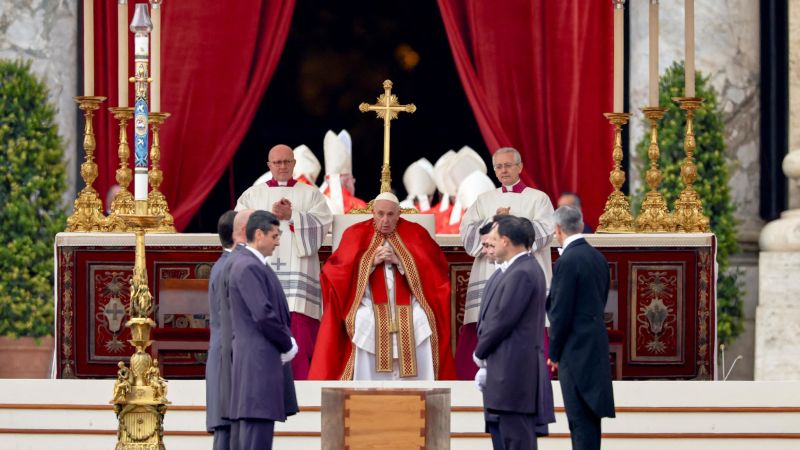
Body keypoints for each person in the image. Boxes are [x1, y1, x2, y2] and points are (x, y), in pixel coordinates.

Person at [309, 192, 456, 380]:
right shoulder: (355, 233)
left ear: (399, 214)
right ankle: (366, 387)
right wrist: (368, 262)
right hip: (367, 301)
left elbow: (436, 271)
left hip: (411, 302)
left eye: (390, 215)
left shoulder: (416, 232)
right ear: (373, 213)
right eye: (380, 214)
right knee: (363, 321)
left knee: (421, 319)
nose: (385, 220)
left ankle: (419, 387)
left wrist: (402, 261)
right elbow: (334, 272)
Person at [235, 144, 332, 380]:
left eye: (287, 162)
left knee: (298, 328)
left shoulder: (310, 195)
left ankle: (299, 386)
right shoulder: (253, 194)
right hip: (262, 272)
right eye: (277, 162)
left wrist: (293, 217)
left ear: (294, 164)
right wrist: (267, 217)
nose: (282, 166)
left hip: (298, 281)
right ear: (269, 165)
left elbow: (323, 224)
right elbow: (239, 226)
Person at [458, 147, 555, 379]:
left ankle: (532, 379)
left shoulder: (538, 198)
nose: (503, 170)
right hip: (488, 276)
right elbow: (468, 236)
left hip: (526, 275)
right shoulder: (484, 200)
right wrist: (492, 220)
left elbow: (544, 232)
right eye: (498, 166)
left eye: (508, 165)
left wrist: (510, 223)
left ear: (520, 167)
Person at [475, 215, 555, 449]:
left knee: (517, 441)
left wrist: (480, 353)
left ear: (506, 241)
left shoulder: (522, 271)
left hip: (515, 373)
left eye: (495, 239)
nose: (491, 244)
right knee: (508, 439)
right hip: (508, 372)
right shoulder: (518, 269)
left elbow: (502, 319)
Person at [228, 210, 299, 450]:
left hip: (257, 363)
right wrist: (287, 343)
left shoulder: (253, 265)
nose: (278, 242)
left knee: (255, 437)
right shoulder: (248, 266)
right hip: (257, 364)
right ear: (259, 234)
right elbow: (263, 314)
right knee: (256, 439)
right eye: (275, 236)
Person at [547, 205, 615, 450]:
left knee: (578, 422)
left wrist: (554, 353)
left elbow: (560, 312)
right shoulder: (598, 257)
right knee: (590, 421)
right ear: (580, 223)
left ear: (557, 229)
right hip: (595, 347)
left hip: (574, 352)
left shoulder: (567, 260)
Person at [206, 210, 237, 450]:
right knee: (227, 431)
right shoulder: (231, 267)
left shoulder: (226, 264)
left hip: (225, 351)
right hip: (228, 355)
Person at [320, 129, 367, 213]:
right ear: (347, 180)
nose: (353, 182)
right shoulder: (359, 206)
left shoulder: (315, 203)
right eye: (352, 179)